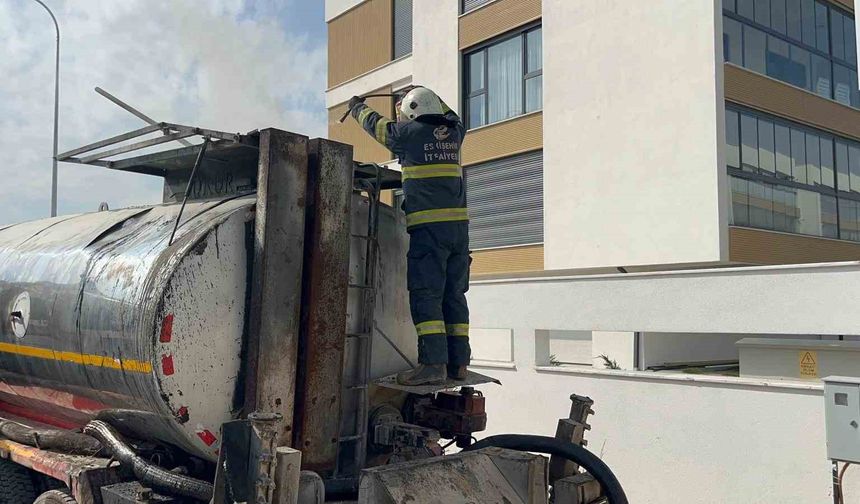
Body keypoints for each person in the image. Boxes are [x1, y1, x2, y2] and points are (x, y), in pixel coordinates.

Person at [348, 87, 471, 386]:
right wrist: (424, 92)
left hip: (429, 231)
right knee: (453, 296)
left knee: (426, 295)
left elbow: (376, 125)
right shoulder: (455, 131)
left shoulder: (407, 134)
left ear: (412, 111)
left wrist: (356, 107)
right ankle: (459, 364)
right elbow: (447, 111)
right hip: (459, 232)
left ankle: (432, 365)